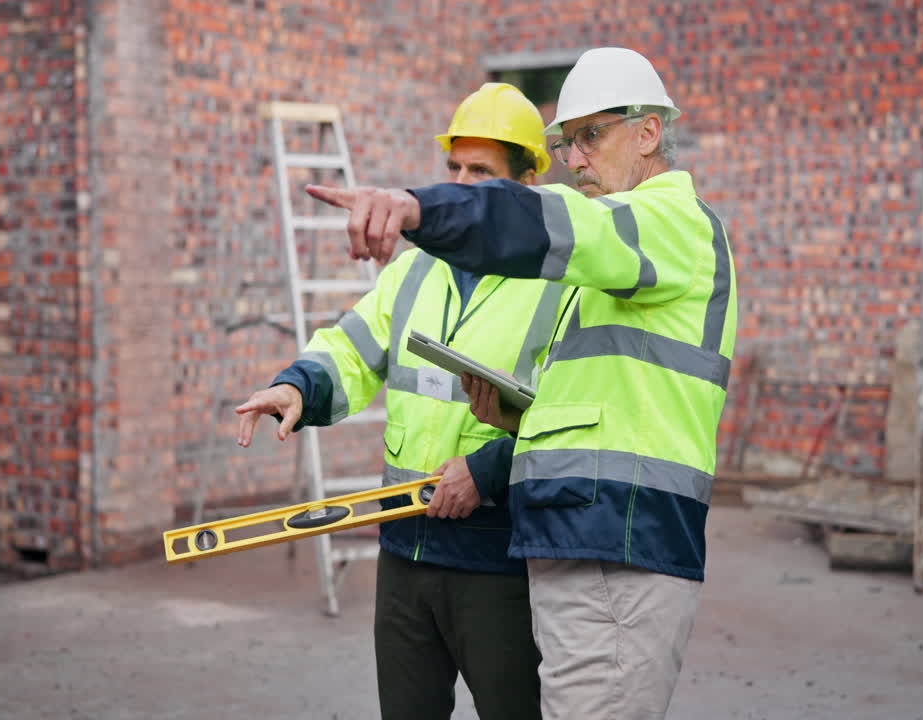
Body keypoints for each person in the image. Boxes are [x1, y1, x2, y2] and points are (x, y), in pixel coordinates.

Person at [307, 47, 738, 720]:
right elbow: (596, 407)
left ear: (649, 132)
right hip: (577, 542)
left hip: (619, 543)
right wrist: (516, 422)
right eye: (569, 144)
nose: (579, 159)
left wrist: (419, 209)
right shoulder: (609, 271)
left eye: (592, 135)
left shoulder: (667, 224)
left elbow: (564, 224)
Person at [236, 83, 562, 720]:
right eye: (455, 169)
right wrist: (297, 385)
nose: (462, 185)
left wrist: (490, 471)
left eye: (483, 174)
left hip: (501, 559)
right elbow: (353, 348)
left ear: (525, 187)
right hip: (405, 553)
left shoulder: (559, 285)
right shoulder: (416, 269)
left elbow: (569, 413)